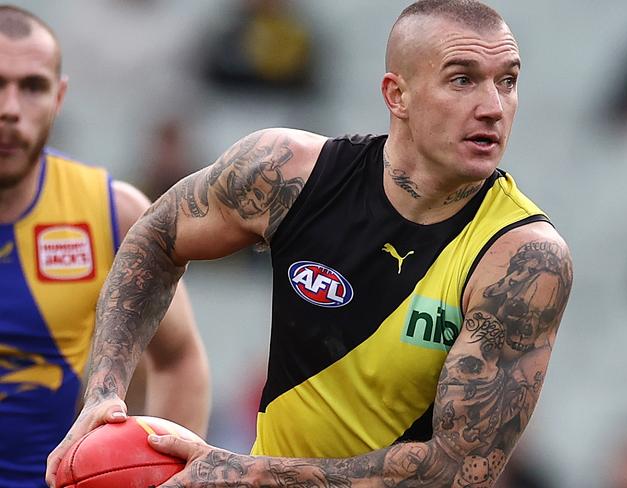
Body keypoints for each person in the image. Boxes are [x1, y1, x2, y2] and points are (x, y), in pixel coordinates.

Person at [47, 1, 573, 487]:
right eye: (462, 80)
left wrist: (249, 474)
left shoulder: (524, 260)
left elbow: (457, 470)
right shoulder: (288, 173)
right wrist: (105, 391)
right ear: (398, 95)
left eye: (508, 82)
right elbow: (155, 238)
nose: (493, 106)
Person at [0, 6, 211, 487]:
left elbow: (179, 358)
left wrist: (167, 477)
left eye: (31, 86)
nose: (10, 107)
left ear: (59, 96)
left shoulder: (109, 213)